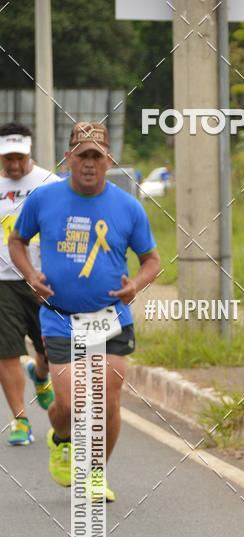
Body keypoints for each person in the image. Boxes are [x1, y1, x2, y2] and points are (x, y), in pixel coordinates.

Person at [9, 122, 161, 500]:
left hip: (111, 316)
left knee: (108, 398)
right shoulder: (44, 200)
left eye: (96, 156)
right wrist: (30, 275)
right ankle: (61, 437)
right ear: (68, 159)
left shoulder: (128, 207)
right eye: (82, 156)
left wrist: (135, 285)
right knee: (71, 402)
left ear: (109, 160)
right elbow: (17, 241)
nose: (89, 163)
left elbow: (152, 260)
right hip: (60, 316)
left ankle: (95, 473)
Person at [0, 122, 59, 445]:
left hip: (44, 279)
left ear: (29, 151)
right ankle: (20, 419)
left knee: (50, 349)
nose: (14, 164)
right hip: (3, 281)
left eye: (19, 157)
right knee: (6, 350)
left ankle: (40, 374)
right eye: (7, 158)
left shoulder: (49, 183)